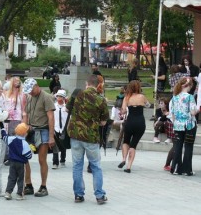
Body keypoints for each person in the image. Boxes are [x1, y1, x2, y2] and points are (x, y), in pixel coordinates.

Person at [67, 74, 109, 204]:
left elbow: (67, 110)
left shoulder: (76, 95)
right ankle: (99, 195)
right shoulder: (100, 100)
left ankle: (78, 195)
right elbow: (103, 122)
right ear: (98, 85)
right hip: (91, 137)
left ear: (87, 83)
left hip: (75, 135)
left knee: (77, 165)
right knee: (96, 166)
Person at [22, 78, 55, 197]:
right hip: (31, 131)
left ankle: (43, 186)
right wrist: (24, 128)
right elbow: (26, 114)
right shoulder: (29, 97)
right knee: (24, 158)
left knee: (42, 160)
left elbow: (51, 117)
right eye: (28, 91)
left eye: (31, 90)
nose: (30, 92)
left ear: (37, 86)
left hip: (43, 131)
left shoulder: (46, 97)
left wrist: (51, 136)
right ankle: (28, 185)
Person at [118, 80, 150, 173]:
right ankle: (128, 166)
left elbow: (123, 111)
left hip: (130, 122)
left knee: (126, 141)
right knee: (133, 145)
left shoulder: (127, 98)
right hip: (140, 122)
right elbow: (148, 105)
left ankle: (124, 159)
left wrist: (122, 111)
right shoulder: (142, 97)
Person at [170, 77, 198, 176]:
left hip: (178, 125)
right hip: (189, 125)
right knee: (188, 146)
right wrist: (197, 109)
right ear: (189, 86)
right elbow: (193, 112)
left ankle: (176, 168)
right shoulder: (190, 97)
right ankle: (187, 170)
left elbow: (172, 114)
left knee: (177, 146)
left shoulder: (174, 97)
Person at [2, 123, 32, 200]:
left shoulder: (11, 139)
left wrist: (2, 129)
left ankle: (8, 192)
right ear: (25, 133)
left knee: (11, 177)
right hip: (21, 164)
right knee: (21, 179)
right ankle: (19, 194)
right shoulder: (25, 143)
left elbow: (4, 137)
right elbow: (29, 155)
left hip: (12, 162)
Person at [2, 76, 26, 164]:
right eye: (15, 81)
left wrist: (24, 121)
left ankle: (12, 156)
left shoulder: (22, 95)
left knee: (15, 137)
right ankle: (6, 156)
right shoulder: (6, 93)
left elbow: (24, 109)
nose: (17, 82)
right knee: (7, 137)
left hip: (17, 118)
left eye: (19, 81)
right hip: (7, 118)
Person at [52, 89, 68, 169]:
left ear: (64, 98)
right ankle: (55, 162)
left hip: (64, 129)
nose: (59, 98)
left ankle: (62, 160)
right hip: (55, 127)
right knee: (55, 145)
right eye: (58, 96)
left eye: (61, 96)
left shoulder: (67, 107)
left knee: (63, 145)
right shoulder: (54, 106)